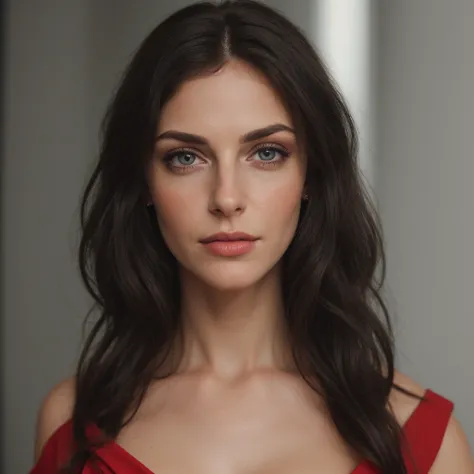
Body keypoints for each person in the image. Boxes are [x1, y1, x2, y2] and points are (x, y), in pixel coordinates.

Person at [30, 1, 473, 473]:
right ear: (144, 183)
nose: (226, 198)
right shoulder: (71, 421)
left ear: (310, 177)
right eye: (185, 157)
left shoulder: (424, 439)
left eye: (266, 153)